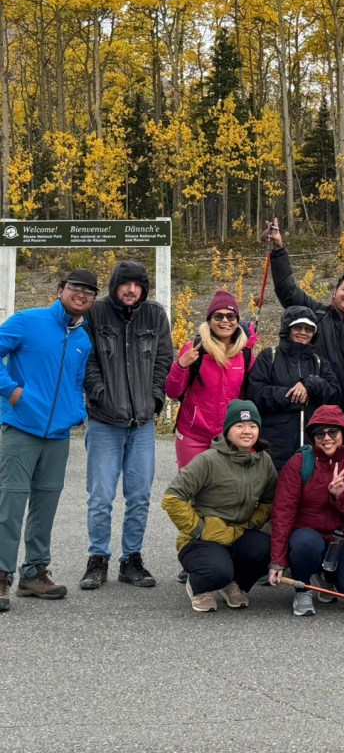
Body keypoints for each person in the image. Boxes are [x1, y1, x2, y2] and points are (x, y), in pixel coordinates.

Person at [0, 269, 98, 612]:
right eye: (75, 288)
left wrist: (76, 411)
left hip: (58, 434)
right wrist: (10, 391)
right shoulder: (28, 321)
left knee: (46, 505)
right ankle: (1, 574)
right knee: (9, 503)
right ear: (60, 291)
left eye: (89, 291)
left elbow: (74, 382)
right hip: (21, 428)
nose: (82, 295)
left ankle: (34, 572)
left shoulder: (84, 338)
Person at [81, 261, 174, 591]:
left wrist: (155, 399)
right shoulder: (97, 313)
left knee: (139, 496)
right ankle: (97, 559)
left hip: (143, 424)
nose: (131, 289)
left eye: (137, 284)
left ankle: (130, 559)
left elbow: (164, 359)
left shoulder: (155, 314)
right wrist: (99, 393)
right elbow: (87, 359)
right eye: (125, 284)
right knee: (101, 496)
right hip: (104, 420)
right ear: (115, 286)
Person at [262, 218, 344, 427]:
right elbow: (287, 291)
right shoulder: (316, 314)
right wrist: (279, 251)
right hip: (310, 411)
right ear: (335, 293)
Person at [161, 400, 277, 612]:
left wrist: (252, 523)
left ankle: (233, 584)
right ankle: (199, 587)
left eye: (252, 426)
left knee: (265, 549)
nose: (247, 431)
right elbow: (172, 497)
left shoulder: (264, 461)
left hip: (239, 533)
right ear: (227, 430)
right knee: (216, 570)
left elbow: (270, 500)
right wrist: (200, 529)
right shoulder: (208, 460)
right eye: (239, 426)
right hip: (203, 538)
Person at [268, 404, 344, 616]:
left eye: (332, 431)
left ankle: (326, 576)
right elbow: (282, 513)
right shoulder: (299, 463)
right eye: (319, 433)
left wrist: (342, 496)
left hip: (339, 540)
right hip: (306, 537)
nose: (326, 437)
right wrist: (277, 560)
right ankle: (302, 586)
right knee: (306, 543)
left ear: (343, 433)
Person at [165, 290, 257, 469]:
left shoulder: (245, 354)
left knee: (228, 492)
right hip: (193, 435)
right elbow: (172, 392)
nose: (225, 321)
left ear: (237, 321)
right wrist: (181, 366)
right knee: (192, 490)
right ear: (209, 320)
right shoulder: (193, 349)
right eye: (218, 316)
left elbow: (250, 396)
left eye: (231, 316)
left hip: (230, 436)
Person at [248, 306, 342, 470]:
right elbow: (255, 394)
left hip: (313, 443)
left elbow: (334, 395)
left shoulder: (319, 362)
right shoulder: (269, 356)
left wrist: (311, 384)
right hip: (274, 445)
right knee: (274, 493)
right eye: (297, 327)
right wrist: (291, 395)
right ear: (287, 329)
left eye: (308, 329)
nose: (303, 333)